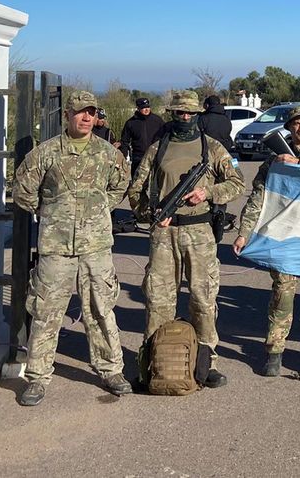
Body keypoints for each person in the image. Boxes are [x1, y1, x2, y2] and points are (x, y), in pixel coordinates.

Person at [13, 91, 132, 404]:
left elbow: (120, 185)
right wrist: (51, 213)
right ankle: (37, 377)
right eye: (80, 112)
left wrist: (99, 209)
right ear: (67, 115)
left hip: (96, 248)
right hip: (56, 248)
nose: (86, 118)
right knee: (46, 312)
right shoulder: (46, 153)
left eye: (91, 112)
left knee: (101, 310)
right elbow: (23, 191)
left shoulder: (108, 154)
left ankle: (110, 370)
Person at [128, 90, 244, 389]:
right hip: (164, 234)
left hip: (200, 233)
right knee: (158, 301)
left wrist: (209, 193)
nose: (186, 118)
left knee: (203, 301)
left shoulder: (212, 148)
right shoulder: (158, 149)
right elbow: (136, 189)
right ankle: (152, 366)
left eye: (191, 113)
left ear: (198, 114)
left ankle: (207, 364)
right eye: (180, 113)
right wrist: (149, 214)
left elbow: (236, 183)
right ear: (172, 114)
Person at [233, 106, 300, 377]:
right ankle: (274, 351)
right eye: (296, 123)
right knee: (282, 294)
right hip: (285, 235)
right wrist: (244, 232)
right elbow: (258, 196)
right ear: (289, 127)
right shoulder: (274, 160)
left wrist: (299, 164)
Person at [120, 97, 165, 176]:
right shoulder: (130, 123)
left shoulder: (157, 120)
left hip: (156, 156)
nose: (146, 109)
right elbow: (124, 141)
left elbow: (166, 136)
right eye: (143, 108)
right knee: (137, 181)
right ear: (138, 108)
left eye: (148, 107)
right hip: (138, 157)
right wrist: (124, 157)